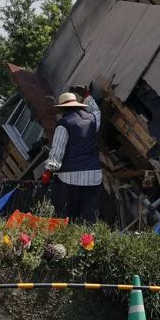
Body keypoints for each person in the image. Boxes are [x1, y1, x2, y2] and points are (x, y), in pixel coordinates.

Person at [42, 85, 102, 223]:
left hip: (70, 178)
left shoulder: (64, 123)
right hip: (94, 175)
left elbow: (57, 152)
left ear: (62, 109)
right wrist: (88, 96)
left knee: (66, 216)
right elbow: (97, 112)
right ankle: (87, 242)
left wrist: (48, 171)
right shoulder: (92, 120)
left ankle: (67, 240)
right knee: (88, 217)